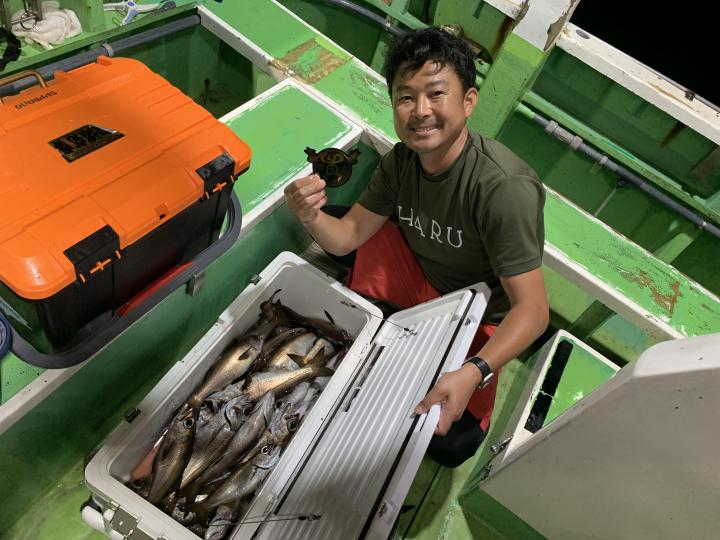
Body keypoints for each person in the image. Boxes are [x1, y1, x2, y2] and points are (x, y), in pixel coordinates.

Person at [284, 27, 549, 468]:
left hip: (476, 309)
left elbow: (534, 311)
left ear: (468, 101)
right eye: (405, 97)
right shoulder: (401, 160)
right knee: (336, 219)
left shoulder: (503, 188)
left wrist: (474, 372)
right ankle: (396, 310)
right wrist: (309, 214)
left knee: (452, 443)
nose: (420, 111)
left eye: (436, 94)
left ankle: (412, 326)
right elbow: (347, 234)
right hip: (422, 271)